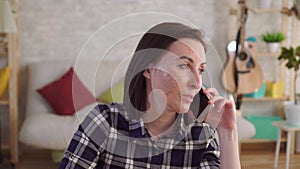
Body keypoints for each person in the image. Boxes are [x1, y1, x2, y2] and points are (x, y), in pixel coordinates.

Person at [58, 22, 241, 169]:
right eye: (184, 65)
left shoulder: (202, 135)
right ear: (148, 68)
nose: (197, 83)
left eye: (200, 70)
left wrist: (227, 132)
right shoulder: (104, 122)